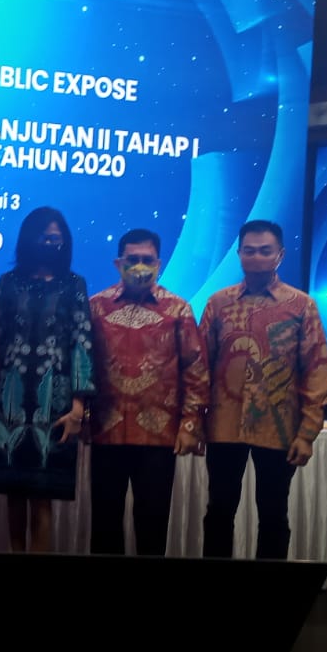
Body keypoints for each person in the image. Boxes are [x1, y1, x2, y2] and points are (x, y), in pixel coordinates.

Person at [199, 220, 327, 560]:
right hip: (224, 427)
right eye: (249, 251)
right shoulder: (218, 304)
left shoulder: (301, 306)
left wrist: (307, 433)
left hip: (279, 427)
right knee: (218, 511)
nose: (256, 258)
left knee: (273, 514)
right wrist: (194, 422)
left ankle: (269, 591)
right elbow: (200, 368)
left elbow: (315, 371)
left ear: (280, 255)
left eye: (265, 251)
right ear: (239, 253)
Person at [88, 228, 209, 556]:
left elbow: (195, 371)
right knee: (104, 525)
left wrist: (190, 425)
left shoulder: (178, 310)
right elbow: (83, 367)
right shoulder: (95, 307)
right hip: (106, 432)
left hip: (158, 435)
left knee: (152, 527)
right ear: (118, 263)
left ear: (158, 263)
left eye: (147, 259)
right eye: (132, 260)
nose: (139, 266)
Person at [0, 207, 94, 552]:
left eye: (55, 239)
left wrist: (78, 407)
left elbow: (82, 342)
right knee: (13, 492)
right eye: (43, 237)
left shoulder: (74, 285)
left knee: (43, 494)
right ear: (28, 240)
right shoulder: (8, 282)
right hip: (9, 402)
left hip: (54, 404)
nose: (49, 243)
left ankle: (38, 571)